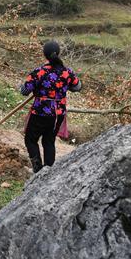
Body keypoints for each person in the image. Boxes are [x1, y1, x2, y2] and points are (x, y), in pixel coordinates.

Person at [19, 40, 82, 173]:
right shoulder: (67, 72)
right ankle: (48, 172)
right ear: (58, 53)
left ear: (44, 55)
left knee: (30, 139)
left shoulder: (39, 72)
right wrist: (66, 85)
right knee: (49, 141)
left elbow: (24, 91)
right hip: (58, 113)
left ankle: (37, 169)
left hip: (40, 112)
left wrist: (23, 86)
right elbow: (78, 87)